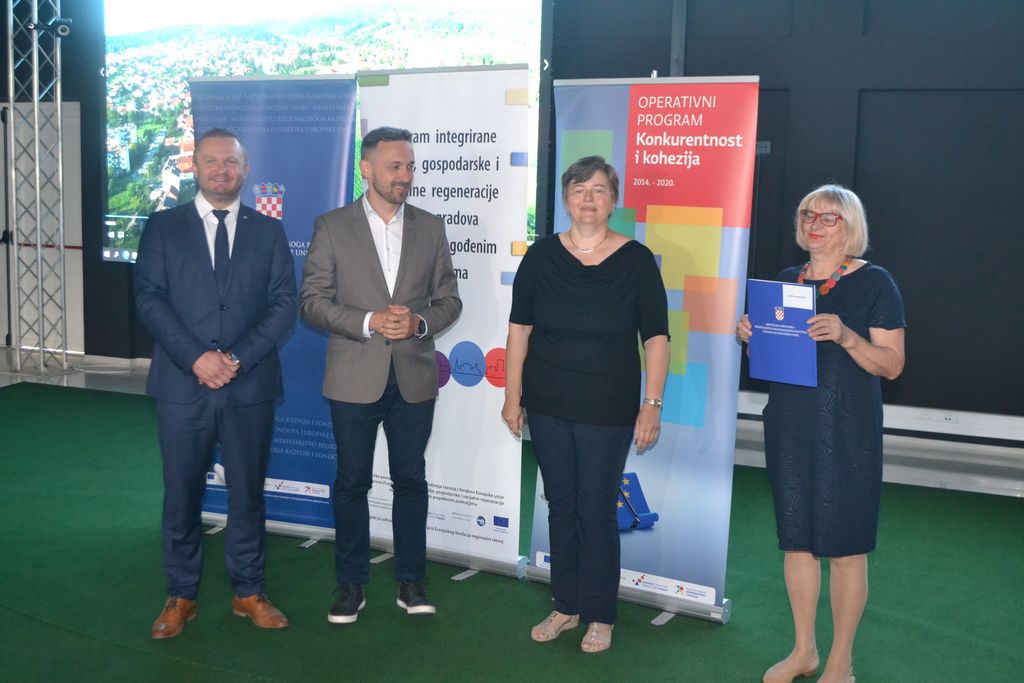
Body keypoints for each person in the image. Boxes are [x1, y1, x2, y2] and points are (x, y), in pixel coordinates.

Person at [736, 184, 906, 683]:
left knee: (847, 549)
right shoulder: (785, 281)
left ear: (850, 226)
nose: (815, 223)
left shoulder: (876, 283)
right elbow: (769, 359)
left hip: (848, 432)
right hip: (790, 426)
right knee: (797, 543)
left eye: (829, 217)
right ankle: (804, 651)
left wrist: (847, 336)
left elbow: (893, 364)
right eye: (808, 214)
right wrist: (752, 337)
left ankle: (839, 662)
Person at [502, 156, 670, 653]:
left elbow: (657, 338)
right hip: (548, 405)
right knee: (561, 506)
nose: (588, 199)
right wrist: (512, 397)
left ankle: (600, 613)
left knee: (596, 510)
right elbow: (519, 331)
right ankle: (566, 605)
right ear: (566, 198)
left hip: (608, 409)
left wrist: (652, 403)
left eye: (598, 190)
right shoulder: (540, 257)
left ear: (613, 200)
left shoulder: (637, 261)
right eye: (578, 189)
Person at [135, 128, 297, 638]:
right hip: (182, 386)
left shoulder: (268, 231)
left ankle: (248, 591)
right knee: (181, 494)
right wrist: (197, 359)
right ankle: (181, 596)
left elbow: (283, 305)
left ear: (245, 170)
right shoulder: (163, 227)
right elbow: (149, 299)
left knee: (247, 493)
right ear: (195, 167)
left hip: (249, 387)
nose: (221, 170)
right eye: (211, 161)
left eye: (231, 162)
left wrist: (235, 359)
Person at [300, 126, 462, 625]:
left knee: (410, 479)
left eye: (410, 166)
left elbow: (449, 300)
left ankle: (411, 581)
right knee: (352, 482)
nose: (405, 175)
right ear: (366, 169)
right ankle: (351, 584)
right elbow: (312, 302)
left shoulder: (431, 227)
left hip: (413, 376)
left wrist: (419, 323)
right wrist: (369, 321)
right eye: (395, 166)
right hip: (353, 376)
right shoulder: (333, 226)